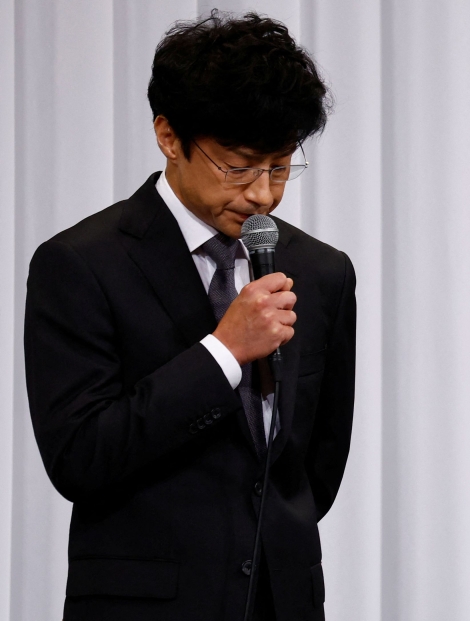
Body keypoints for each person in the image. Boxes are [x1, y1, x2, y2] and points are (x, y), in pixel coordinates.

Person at [23, 12, 355, 621]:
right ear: (169, 136)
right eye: (239, 166)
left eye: (280, 166)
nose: (263, 194)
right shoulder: (79, 264)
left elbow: (315, 466)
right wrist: (223, 353)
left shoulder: (323, 270)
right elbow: (79, 457)